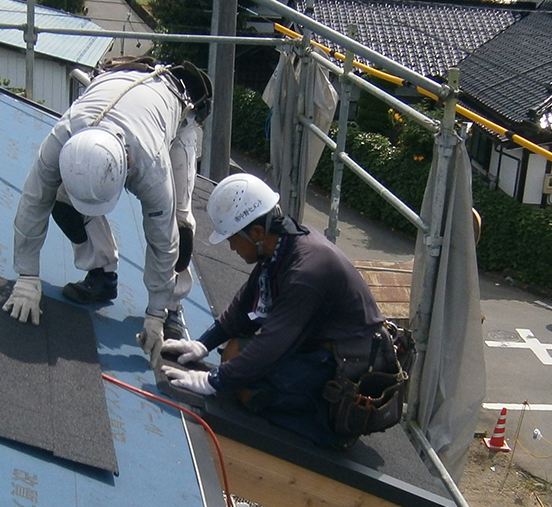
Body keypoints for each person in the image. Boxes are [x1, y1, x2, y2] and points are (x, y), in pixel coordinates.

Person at [160, 173, 396, 448]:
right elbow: (245, 303)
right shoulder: (281, 247)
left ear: (257, 234)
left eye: (233, 239)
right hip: (319, 343)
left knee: (250, 389)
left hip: (347, 363)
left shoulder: (307, 272)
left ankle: (327, 424)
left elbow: (273, 341)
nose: (232, 247)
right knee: (234, 354)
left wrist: (213, 381)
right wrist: (203, 344)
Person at [1, 59, 212, 367]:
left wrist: (155, 313)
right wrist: (27, 276)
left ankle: (172, 306)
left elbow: (163, 241)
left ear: (126, 165)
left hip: (177, 115)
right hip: (116, 97)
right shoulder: (62, 138)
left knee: (180, 225)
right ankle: (102, 275)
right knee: (61, 198)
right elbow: (34, 202)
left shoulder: (151, 164)